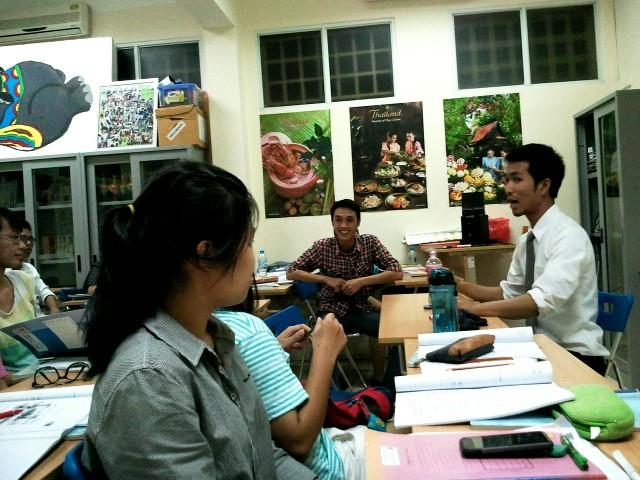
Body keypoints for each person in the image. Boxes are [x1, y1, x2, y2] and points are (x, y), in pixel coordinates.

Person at [82, 162, 315, 479]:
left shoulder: (217, 337)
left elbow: (258, 454)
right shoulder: (149, 379)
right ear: (206, 253)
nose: (252, 256)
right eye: (248, 243)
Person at [456, 144, 609, 374]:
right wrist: (459, 284)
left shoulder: (569, 237)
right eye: (506, 180)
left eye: (517, 180)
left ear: (544, 186)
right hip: (542, 350)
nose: (508, 188)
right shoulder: (528, 240)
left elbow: (537, 302)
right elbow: (510, 292)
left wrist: (475, 308)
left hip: (575, 357)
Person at [217, 292, 368, 480]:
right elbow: (300, 441)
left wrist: (270, 348)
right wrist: (325, 351)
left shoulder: (195, 329)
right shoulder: (247, 330)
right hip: (326, 469)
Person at [287, 199, 403, 383]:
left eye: (349, 220)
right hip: (332, 310)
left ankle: (383, 380)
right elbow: (291, 272)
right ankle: (329, 385)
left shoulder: (370, 242)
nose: (343, 225)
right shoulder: (322, 246)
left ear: (358, 222)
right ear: (332, 222)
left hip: (362, 308)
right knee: (323, 336)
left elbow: (397, 272)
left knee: (393, 330)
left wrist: (361, 282)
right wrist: (325, 279)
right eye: (338, 219)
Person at [0, 208, 38, 373]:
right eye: (15, 237)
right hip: (16, 385)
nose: (23, 246)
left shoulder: (24, 280)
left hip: (43, 373)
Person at [12, 220, 59, 316]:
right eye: (23, 238)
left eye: (31, 239)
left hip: (37, 319)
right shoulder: (5, 272)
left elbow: (44, 291)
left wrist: (54, 311)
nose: (28, 243)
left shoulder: (29, 268)